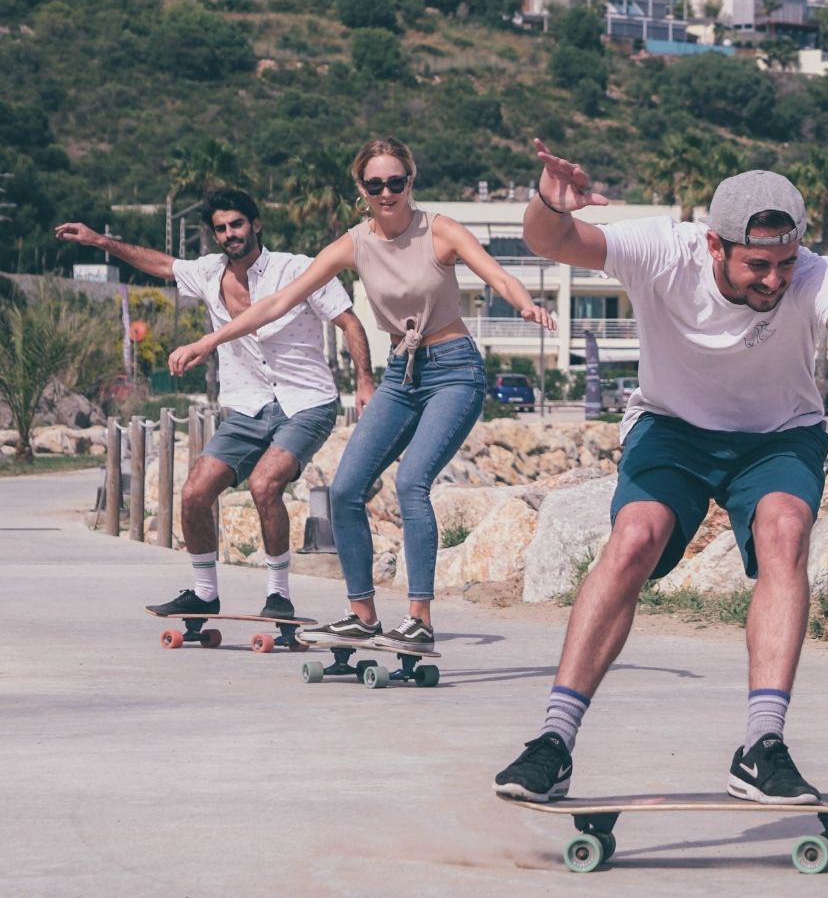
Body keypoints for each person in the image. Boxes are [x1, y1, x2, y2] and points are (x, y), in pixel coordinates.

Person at [492, 140, 828, 805]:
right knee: (632, 541)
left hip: (777, 439)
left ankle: (762, 748)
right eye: (758, 266)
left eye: (785, 265)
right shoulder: (664, 250)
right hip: (672, 429)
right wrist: (546, 203)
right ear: (715, 246)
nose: (774, 281)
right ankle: (553, 742)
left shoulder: (814, 275)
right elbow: (553, 242)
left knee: (786, 532)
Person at [168, 137, 555, 653]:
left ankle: (418, 618)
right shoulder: (353, 243)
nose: (387, 192)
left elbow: (499, 276)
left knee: (412, 480)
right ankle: (362, 615)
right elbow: (279, 300)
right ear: (362, 190)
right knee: (347, 489)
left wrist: (526, 305)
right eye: (375, 185)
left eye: (396, 182)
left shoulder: (438, 231)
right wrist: (207, 340)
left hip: (454, 369)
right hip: (401, 372)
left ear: (410, 183)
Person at [55, 189, 376, 619]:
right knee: (193, 493)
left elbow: (350, 321)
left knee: (265, 484)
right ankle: (205, 593)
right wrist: (102, 242)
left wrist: (364, 381)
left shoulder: (295, 269)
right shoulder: (208, 273)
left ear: (256, 224)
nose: (230, 234)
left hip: (306, 402)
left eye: (237, 225)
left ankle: (278, 596)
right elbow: (162, 265)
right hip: (247, 407)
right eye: (221, 228)